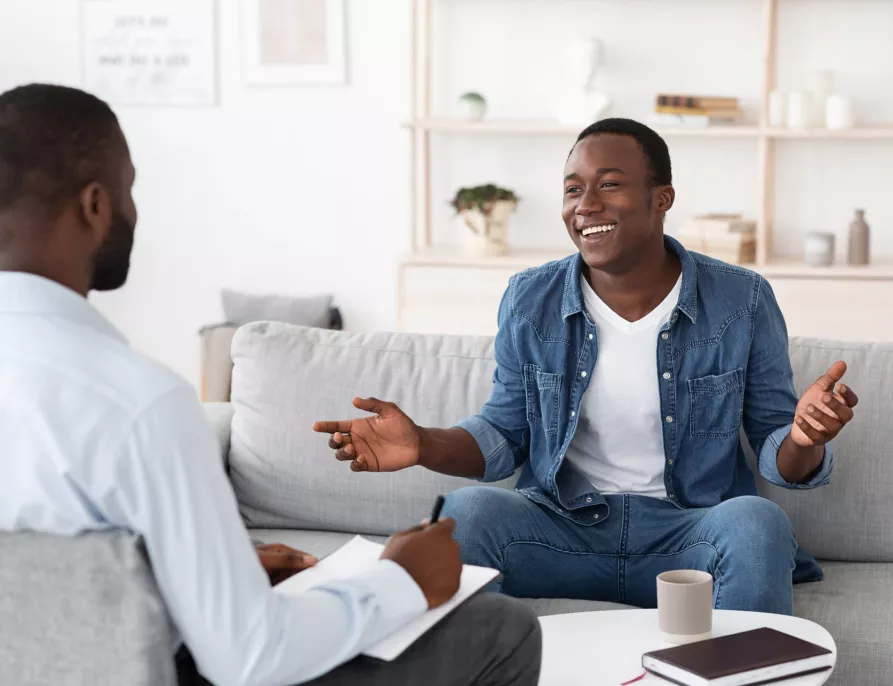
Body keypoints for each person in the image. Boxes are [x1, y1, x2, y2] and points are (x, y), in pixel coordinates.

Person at [0, 83, 541, 686]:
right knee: (500, 630)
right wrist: (401, 580)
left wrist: (209, 575)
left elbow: (51, 596)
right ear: (95, 205)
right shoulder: (137, 405)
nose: (133, 210)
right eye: (129, 188)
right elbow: (251, 657)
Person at [314, 118, 860, 616]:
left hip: (687, 538)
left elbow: (779, 455)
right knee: (468, 513)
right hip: (561, 533)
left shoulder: (741, 300)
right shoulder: (530, 299)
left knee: (757, 522)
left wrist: (804, 436)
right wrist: (422, 445)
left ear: (661, 198)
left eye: (609, 184)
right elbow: (505, 433)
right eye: (573, 189)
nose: (585, 203)